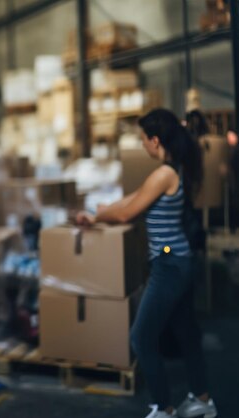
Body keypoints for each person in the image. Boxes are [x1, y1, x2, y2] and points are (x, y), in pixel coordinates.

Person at [76, 109, 216, 418]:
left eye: (143, 140)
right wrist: (102, 210)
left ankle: (162, 408)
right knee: (185, 333)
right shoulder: (170, 169)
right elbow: (134, 198)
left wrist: (100, 215)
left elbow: (128, 213)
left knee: (141, 337)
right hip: (177, 259)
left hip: (169, 264)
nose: (142, 146)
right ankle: (203, 401)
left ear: (155, 140)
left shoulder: (164, 173)